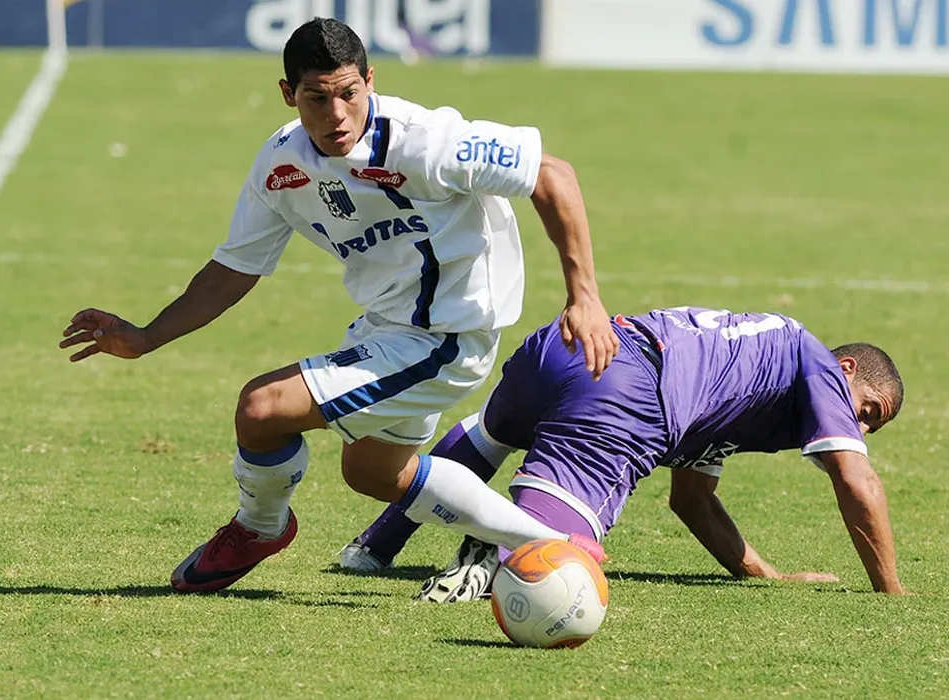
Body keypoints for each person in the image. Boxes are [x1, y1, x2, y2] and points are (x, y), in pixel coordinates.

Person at [58, 18, 619, 593]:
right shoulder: (282, 165)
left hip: (447, 336)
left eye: (349, 93)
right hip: (387, 327)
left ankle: (259, 527)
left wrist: (585, 297)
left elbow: (551, 174)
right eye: (316, 98)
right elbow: (234, 269)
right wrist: (147, 336)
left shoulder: (425, 141)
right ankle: (548, 543)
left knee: (260, 408)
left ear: (370, 81)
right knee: (373, 473)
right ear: (288, 94)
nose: (337, 115)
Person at [338, 306, 908, 601]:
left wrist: (764, 574)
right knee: (550, 563)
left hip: (569, 345)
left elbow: (692, 499)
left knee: (490, 434)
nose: (859, 427)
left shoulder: (751, 379)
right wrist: (892, 593)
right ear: (847, 369)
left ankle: (374, 547)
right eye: (868, 410)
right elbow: (856, 479)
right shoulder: (817, 365)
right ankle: (492, 553)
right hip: (626, 388)